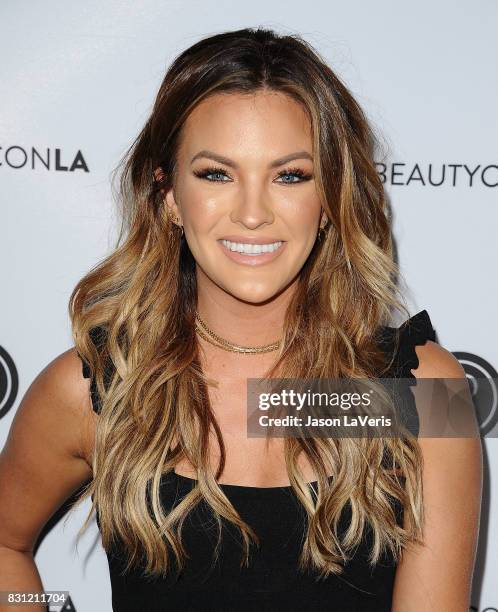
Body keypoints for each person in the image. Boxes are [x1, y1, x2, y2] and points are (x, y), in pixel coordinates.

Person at [0, 27, 482, 612]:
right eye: (216, 174)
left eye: (290, 176)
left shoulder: (420, 392)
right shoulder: (100, 389)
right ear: (169, 195)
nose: (253, 213)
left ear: (330, 197)